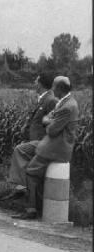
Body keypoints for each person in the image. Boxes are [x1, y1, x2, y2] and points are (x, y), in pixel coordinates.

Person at [12, 76, 79, 219]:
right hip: (49, 143)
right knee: (21, 149)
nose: (52, 89)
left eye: (54, 87)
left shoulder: (68, 106)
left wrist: (48, 121)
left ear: (60, 89)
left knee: (30, 171)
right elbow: (49, 118)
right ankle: (21, 189)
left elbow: (51, 130)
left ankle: (31, 210)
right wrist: (49, 120)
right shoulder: (64, 102)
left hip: (56, 147)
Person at [1, 73, 58, 201]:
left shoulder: (51, 100)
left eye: (36, 81)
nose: (34, 83)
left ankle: (21, 189)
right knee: (31, 172)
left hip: (42, 143)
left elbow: (54, 123)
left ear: (41, 84)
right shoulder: (42, 99)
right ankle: (32, 206)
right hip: (35, 141)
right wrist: (26, 127)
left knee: (19, 151)